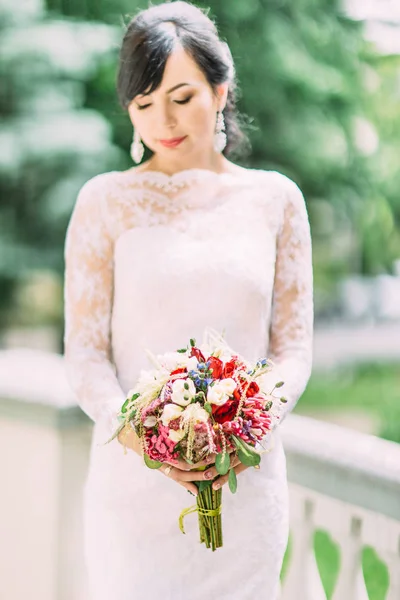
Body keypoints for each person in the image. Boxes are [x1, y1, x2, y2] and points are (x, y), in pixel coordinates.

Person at [63, 2, 313, 599]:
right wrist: (148, 438)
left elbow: (293, 348)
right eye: (144, 104)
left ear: (220, 90)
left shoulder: (276, 201)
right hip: (133, 497)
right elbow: (86, 357)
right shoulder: (105, 203)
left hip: (245, 488)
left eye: (182, 97)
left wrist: (242, 429)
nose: (163, 121)